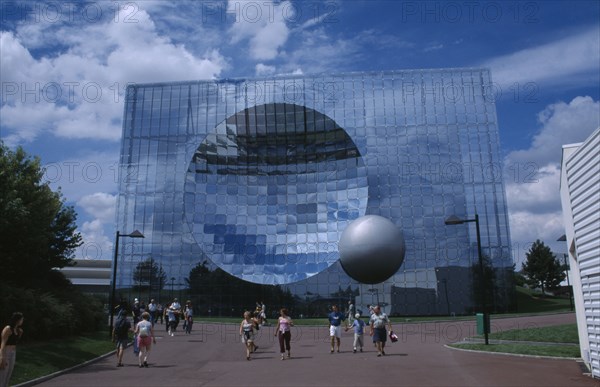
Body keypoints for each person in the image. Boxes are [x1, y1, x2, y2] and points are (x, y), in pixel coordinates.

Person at [0, 312, 24, 387]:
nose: (22, 321)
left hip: (13, 353)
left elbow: (15, 342)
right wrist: (2, 358)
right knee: (2, 375)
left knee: (8, 375)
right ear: (17, 320)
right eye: (22, 319)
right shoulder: (8, 329)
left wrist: (20, 334)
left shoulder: (18, 330)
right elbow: (2, 344)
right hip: (5, 353)